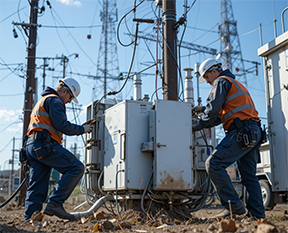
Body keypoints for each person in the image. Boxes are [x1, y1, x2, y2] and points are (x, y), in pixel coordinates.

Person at [192, 58, 265, 219]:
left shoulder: (220, 82)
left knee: (213, 164)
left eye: (206, 77)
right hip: (252, 132)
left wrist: (197, 126)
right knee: (249, 176)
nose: (207, 81)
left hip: (240, 132)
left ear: (214, 71)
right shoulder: (234, 83)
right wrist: (202, 109)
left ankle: (233, 206)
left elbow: (212, 113)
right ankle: (257, 214)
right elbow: (222, 113)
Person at [24, 77, 94, 221]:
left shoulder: (42, 101)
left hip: (33, 146)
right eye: (70, 97)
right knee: (76, 168)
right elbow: (62, 125)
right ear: (64, 91)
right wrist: (83, 129)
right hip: (44, 145)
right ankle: (55, 203)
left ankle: (30, 220)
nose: (69, 101)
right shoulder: (55, 100)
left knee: (37, 186)